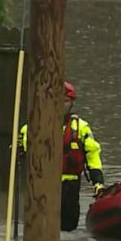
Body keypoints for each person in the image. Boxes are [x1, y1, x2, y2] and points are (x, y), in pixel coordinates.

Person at [19, 81, 104, 231]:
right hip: (44, 185)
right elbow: (25, 155)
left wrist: (98, 181)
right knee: (42, 226)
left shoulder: (81, 128)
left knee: (69, 227)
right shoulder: (33, 126)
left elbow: (93, 154)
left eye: (66, 101)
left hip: (70, 186)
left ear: (71, 103)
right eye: (59, 100)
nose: (62, 105)